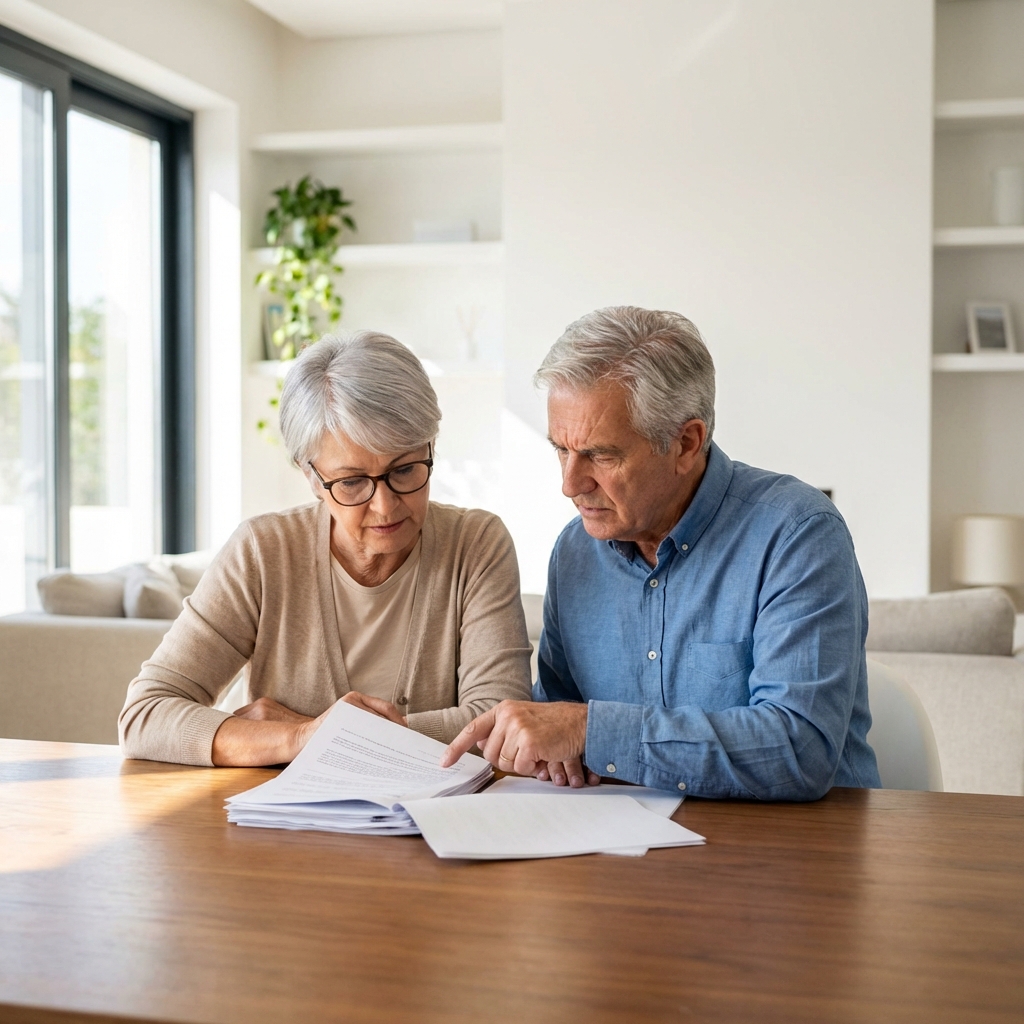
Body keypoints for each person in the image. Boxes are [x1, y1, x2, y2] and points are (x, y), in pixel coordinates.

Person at [442, 306, 880, 800]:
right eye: (561, 450)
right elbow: (556, 721)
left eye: (601, 455)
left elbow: (800, 749)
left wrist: (591, 732)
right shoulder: (575, 551)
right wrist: (553, 751)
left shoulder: (798, 534)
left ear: (686, 443)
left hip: (797, 854)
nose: (569, 484)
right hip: (622, 849)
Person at [120, 331, 532, 766]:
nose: (385, 505)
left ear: (431, 446)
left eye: (406, 469)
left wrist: (336, 734)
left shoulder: (476, 544)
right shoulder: (263, 552)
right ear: (312, 477)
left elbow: (500, 725)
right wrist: (298, 738)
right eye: (352, 482)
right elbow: (145, 716)